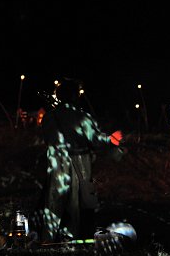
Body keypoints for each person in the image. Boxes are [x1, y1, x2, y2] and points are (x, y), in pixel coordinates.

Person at [39, 79, 123, 243]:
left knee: (54, 201)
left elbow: (48, 139)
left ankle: (48, 239)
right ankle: (73, 239)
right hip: (80, 163)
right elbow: (96, 139)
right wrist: (112, 139)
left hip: (56, 163)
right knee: (78, 204)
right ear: (74, 96)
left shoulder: (49, 117)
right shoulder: (82, 117)